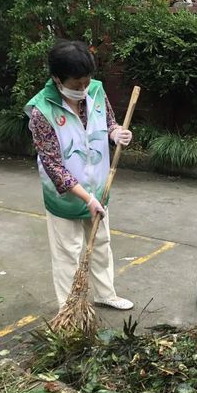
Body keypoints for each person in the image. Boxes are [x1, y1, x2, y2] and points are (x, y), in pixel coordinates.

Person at [25, 40, 134, 311]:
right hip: (66, 197)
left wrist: (115, 133)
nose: (83, 89)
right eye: (76, 85)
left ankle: (105, 293)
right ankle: (69, 307)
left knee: (101, 242)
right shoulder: (42, 112)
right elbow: (53, 165)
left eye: (86, 82)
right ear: (57, 79)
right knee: (68, 252)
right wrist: (86, 198)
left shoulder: (96, 91)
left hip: (99, 187)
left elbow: (108, 122)